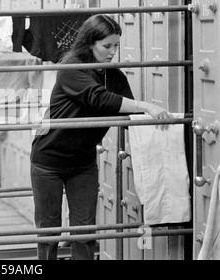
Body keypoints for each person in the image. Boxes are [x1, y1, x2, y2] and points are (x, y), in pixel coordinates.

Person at [30, 14, 173, 260]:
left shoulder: (114, 77)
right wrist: (147, 106)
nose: (112, 52)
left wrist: (168, 124)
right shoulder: (70, 68)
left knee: (85, 233)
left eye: (116, 45)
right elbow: (99, 98)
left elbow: (129, 118)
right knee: (49, 232)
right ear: (89, 43)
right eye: (107, 46)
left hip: (83, 164)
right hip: (48, 161)